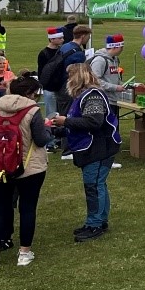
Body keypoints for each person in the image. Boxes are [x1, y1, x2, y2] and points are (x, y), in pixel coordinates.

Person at [0, 74, 54, 270]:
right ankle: (24, 253)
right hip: (30, 168)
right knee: (27, 209)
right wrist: (48, 129)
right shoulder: (32, 111)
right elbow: (41, 139)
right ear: (29, 94)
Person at [50, 63, 121, 241]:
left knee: (93, 186)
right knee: (98, 185)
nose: (68, 80)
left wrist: (65, 121)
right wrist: (56, 128)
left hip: (98, 148)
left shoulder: (93, 96)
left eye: (70, 76)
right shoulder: (84, 96)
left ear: (78, 77)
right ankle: (99, 220)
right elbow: (78, 123)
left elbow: (93, 122)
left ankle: (95, 224)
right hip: (95, 147)